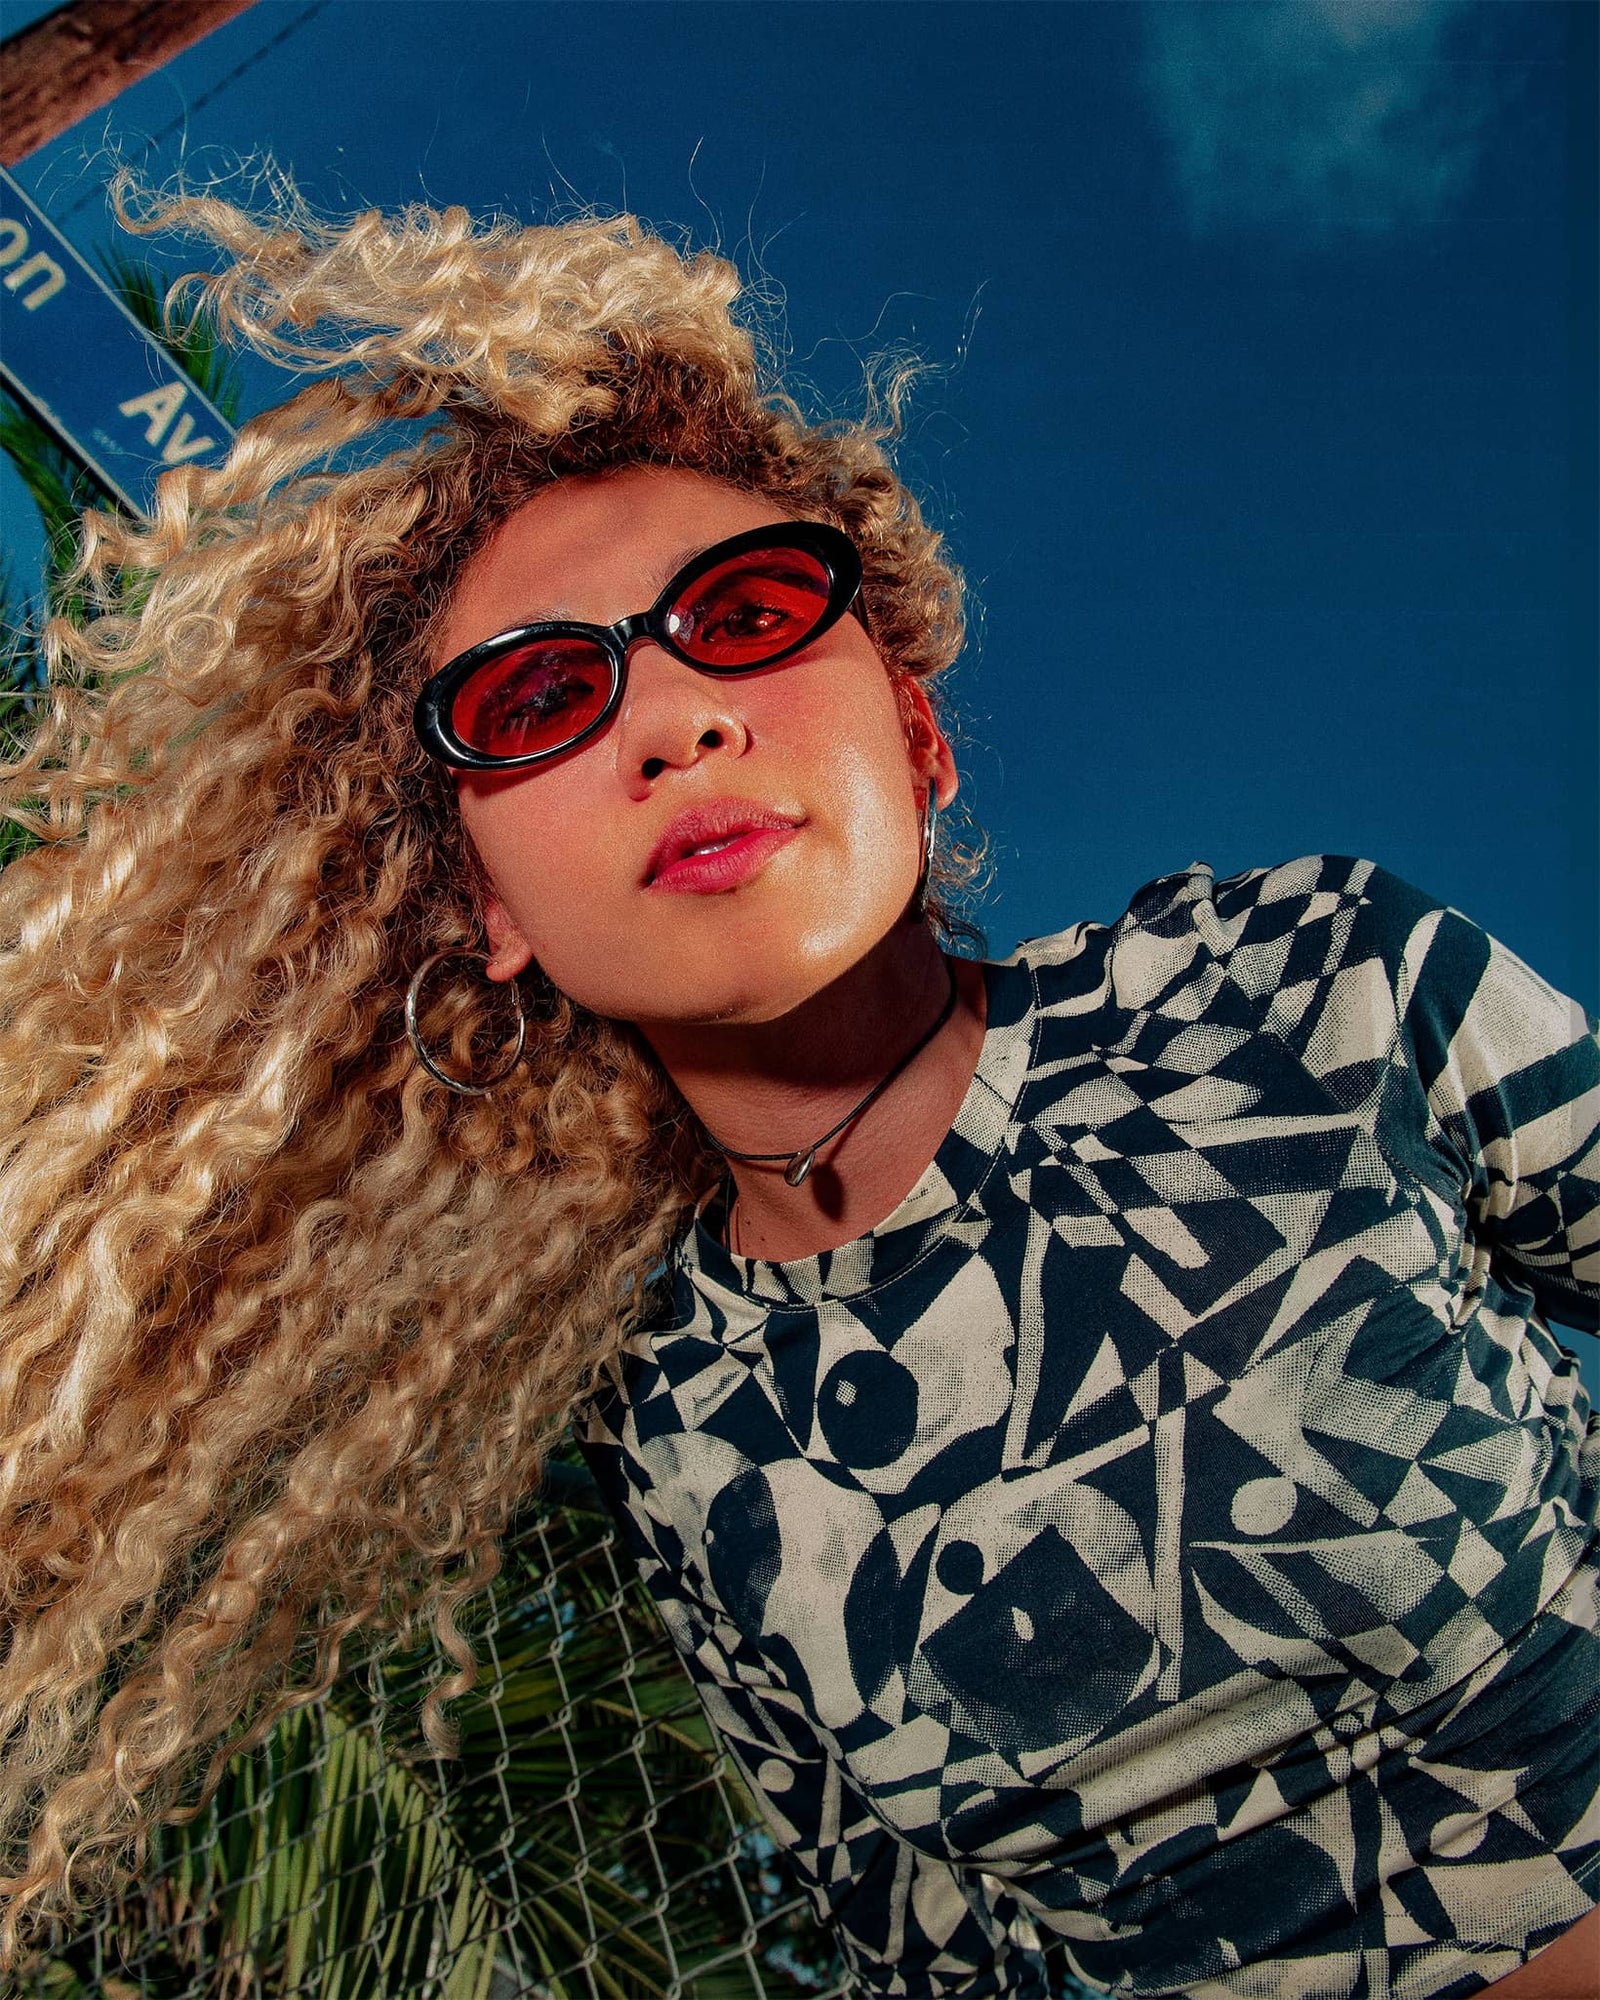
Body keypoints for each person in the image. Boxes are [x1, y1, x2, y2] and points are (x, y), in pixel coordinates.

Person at [0, 181, 1595, 1999]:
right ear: (489, 906)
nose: (673, 721)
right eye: (537, 705)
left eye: (746, 612)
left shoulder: (1305, 979)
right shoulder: (671, 1417)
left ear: (915, 736)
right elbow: (911, 1947)